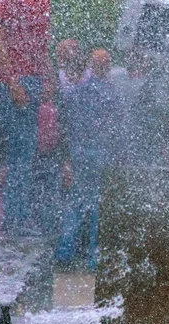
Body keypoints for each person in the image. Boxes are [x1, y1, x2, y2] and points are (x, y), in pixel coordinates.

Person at [0, 0, 53, 235]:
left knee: (25, 153)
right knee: (18, 154)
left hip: (30, 80)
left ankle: (17, 217)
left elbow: (42, 45)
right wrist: (12, 81)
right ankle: (14, 221)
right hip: (11, 81)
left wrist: (47, 77)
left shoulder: (43, 3)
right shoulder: (6, 2)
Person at [56, 49, 119, 270]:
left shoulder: (75, 92)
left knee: (74, 201)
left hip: (77, 152)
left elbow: (65, 125)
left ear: (92, 66)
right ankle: (92, 256)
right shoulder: (111, 94)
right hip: (100, 153)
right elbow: (116, 129)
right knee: (95, 203)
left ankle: (64, 251)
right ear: (107, 67)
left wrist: (66, 158)